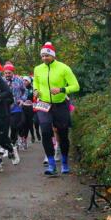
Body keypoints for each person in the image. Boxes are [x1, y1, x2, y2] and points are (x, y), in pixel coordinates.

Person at [33, 42, 80, 176]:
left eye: (47, 56)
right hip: (44, 104)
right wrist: (35, 90)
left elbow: (76, 86)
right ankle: (52, 164)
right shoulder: (38, 69)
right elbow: (35, 82)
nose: (44, 58)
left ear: (53, 55)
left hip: (60, 104)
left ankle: (64, 162)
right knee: (46, 130)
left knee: (63, 134)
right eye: (42, 56)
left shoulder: (64, 68)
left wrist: (61, 89)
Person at [3, 63, 25, 164]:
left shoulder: (19, 80)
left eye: (9, 73)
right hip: (5, 108)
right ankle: (10, 146)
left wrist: (22, 99)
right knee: (5, 128)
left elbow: (25, 92)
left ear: (13, 72)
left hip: (16, 107)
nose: (7, 74)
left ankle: (13, 141)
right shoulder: (2, 81)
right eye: (6, 73)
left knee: (14, 126)